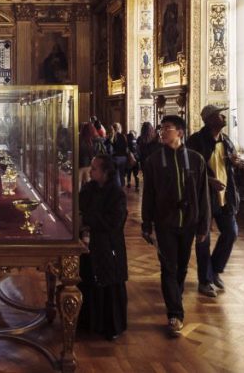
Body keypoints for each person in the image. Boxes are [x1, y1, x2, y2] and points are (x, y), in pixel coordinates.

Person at [141, 115, 210, 338]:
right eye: (161, 128)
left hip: (189, 223)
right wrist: (146, 223)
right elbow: (148, 195)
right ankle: (175, 313)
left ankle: (175, 297)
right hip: (165, 223)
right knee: (168, 267)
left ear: (180, 132)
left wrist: (204, 226)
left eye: (167, 128)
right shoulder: (153, 161)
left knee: (181, 267)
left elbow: (203, 196)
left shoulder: (196, 159)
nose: (162, 131)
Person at [190, 105, 241, 298]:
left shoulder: (226, 140)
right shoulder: (196, 141)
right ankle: (205, 280)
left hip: (225, 197)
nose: (224, 116)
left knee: (231, 233)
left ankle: (215, 270)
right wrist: (209, 181)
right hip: (205, 198)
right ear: (210, 119)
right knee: (203, 238)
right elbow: (190, 172)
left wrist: (237, 163)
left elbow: (229, 166)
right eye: (220, 114)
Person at [78, 155, 129, 341]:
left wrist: (88, 220)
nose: (90, 172)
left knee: (109, 287)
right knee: (88, 282)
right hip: (90, 245)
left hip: (109, 248)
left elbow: (114, 222)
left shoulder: (116, 194)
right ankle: (89, 323)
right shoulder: (89, 188)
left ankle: (110, 326)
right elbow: (80, 207)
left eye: (94, 169)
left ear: (106, 172)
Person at [110, 122, 129, 187]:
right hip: (124, 158)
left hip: (116, 158)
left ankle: (118, 190)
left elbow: (111, 148)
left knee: (117, 175)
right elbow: (126, 147)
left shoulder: (113, 137)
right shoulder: (123, 136)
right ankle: (122, 189)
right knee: (122, 174)